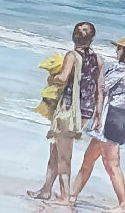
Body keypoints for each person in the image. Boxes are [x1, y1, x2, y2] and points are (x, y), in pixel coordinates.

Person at [70, 37, 125, 213]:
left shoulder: (119, 70)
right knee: (89, 158)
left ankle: (123, 205)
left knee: (111, 164)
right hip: (123, 117)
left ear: (124, 52)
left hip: (110, 116)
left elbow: (101, 90)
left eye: (118, 49)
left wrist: (96, 116)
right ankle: (72, 195)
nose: (116, 52)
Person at [29, 22, 102, 202]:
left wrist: (51, 77)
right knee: (56, 149)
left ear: (74, 36)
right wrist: (98, 116)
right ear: (91, 38)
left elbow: (62, 78)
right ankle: (46, 189)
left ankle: (64, 196)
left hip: (68, 109)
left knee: (63, 155)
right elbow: (100, 89)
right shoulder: (98, 60)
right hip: (85, 112)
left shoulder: (72, 55)